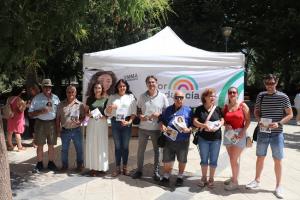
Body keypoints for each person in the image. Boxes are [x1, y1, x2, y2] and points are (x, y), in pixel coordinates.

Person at [246, 74, 293, 199]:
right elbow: (256, 111)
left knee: (277, 159)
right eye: (267, 83)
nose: (270, 86)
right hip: (263, 132)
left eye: (272, 83)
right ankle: (256, 180)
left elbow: (290, 114)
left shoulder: (283, 97)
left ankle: (278, 186)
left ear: (276, 83)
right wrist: (258, 119)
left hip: (277, 134)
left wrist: (279, 123)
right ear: (264, 83)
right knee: (260, 157)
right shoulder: (261, 96)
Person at [131, 75, 169, 181]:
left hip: (156, 129)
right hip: (143, 128)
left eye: (153, 82)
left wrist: (159, 115)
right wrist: (140, 116)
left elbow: (166, 113)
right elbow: (138, 109)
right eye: (149, 82)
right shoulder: (142, 96)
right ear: (146, 84)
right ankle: (139, 171)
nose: (151, 84)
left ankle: (156, 172)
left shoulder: (163, 97)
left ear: (156, 83)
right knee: (140, 151)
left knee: (157, 152)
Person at [159, 91, 192, 187]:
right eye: (177, 97)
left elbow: (193, 125)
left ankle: (180, 176)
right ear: (173, 98)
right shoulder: (168, 109)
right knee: (167, 159)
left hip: (183, 140)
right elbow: (162, 120)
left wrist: (188, 129)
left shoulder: (188, 110)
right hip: (169, 139)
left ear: (184, 99)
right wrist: (162, 126)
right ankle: (166, 175)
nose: (179, 99)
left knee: (182, 159)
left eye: (181, 97)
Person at [193, 88, 224, 188]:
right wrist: (203, 126)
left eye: (214, 96)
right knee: (204, 159)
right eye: (210, 96)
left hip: (216, 138)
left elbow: (222, 120)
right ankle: (203, 178)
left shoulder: (218, 109)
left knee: (214, 160)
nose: (212, 98)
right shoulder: (199, 109)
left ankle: (211, 178)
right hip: (203, 139)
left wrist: (219, 125)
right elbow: (194, 122)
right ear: (205, 97)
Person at [104, 79, 137, 176]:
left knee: (125, 147)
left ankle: (125, 168)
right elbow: (107, 113)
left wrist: (129, 122)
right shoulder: (112, 97)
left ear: (126, 87)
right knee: (118, 147)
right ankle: (117, 168)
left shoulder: (131, 97)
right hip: (115, 123)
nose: (122, 88)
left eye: (123, 86)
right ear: (117, 87)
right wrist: (110, 108)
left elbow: (134, 112)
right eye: (120, 86)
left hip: (126, 123)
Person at [29, 79, 60, 173]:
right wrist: (40, 111)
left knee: (51, 145)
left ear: (51, 87)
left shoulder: (55, 98)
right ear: (42, 87)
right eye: (45, 86)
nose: (48, 88)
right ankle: (39, 164)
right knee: (40, 145)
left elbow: (58, 112)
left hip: (52, 123)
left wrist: (59, 125)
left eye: (49, 87)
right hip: (40, 123)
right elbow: (30, 114)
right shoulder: (36, 98)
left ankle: (51, 163)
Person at [222, 87, 250, 190]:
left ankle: (235, 182)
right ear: (228, 94)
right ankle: (234, 176)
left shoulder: (243, 106)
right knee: (232, 159)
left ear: (237, 94)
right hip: (229, 134)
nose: (232, 94)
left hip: (239, 134)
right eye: (230, 92)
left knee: (234, 158)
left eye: (234, 92)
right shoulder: (225, 107)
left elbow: (248, 120)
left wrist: (243, 131)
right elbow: (222, 120)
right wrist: (225, 124)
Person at [56, 85, 85, 172]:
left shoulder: (80, 105)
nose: (71, 94)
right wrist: (58, 130)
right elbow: (58, 118)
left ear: (75, 93)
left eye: (73, 92)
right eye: (69, 92)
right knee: (64, 150)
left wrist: (80, 121)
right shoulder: (60, 105)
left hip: (76, 130)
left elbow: (83, 116)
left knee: (79, 149)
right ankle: (65, 166)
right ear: (66, 93)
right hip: (65, 131)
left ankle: (80, 165)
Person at [85, 82, 109, 176]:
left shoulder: (106, 100)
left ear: (102, 89)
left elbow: (108, 114)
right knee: (92, 144)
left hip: (102, 124)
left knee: (101, 144)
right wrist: (88, 114)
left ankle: (102, 167)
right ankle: (93, 168)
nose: (97, 90)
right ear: (93, 89)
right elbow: (86, 112)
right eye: (95, 88)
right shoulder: (89, 99)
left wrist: (105, 117)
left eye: (99, 88)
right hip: (92, 123)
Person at [6, 86, 27, 151]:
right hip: (18, 118)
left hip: (10, 116)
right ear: (19, 92)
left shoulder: (9, 98)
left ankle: (10, 146)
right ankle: (20, 147)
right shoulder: (19, 99)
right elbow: (21, 110)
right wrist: (26, 105)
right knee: (17, 132)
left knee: (10, 132)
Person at [27, 83, 40, 148]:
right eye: (30, 90)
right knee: (32, 129)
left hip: (36, 116)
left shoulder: (39, 97)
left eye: (31, 90)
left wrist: (29, 105)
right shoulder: (32, 97)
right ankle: (35, 141)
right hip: (31, 115)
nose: (31, 91)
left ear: (35, 90)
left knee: (35, 129)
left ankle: (36, 142)